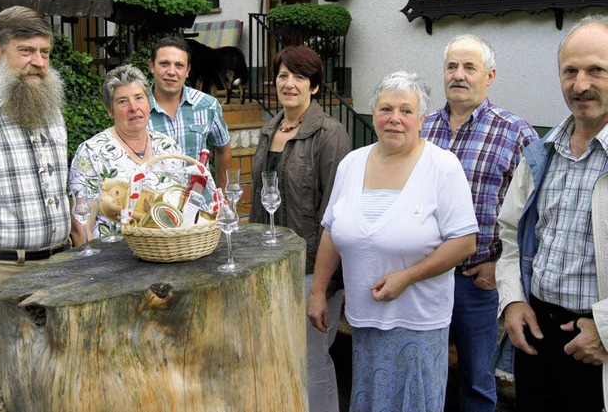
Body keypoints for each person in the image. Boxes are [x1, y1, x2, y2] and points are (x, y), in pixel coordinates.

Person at [308, 71, 478, 412]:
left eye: (406, 111)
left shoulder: (442, 167)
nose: (395, 119)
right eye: (386, 109)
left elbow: (465, 242)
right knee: (371, 399)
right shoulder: (352, 163)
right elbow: (331, 231)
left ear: (422, 119)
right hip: (365, 319)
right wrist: (317, 292)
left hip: (417, 322)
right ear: (374, 115)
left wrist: (407, 277)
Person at [496, 15, 608, 411]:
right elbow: (509, 232)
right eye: (570, 71)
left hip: (598, 345)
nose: (581, 85)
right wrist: (512, 301)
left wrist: (606, 330)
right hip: (537, 333)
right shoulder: (542, 153)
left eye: (597, 70)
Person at [421, 34, 538, 411]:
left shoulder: (516, 133)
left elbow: (533, 215)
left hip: (478, 284)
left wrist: (500, 266)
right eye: (451, 66)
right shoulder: (421, 130)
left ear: (489, 76)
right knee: (426, 374)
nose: (458, 75)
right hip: (424, 280)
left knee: (476, 381)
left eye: (469, 67)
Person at [0, 6, 71, 412]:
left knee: (52, 385)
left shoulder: (49, 104)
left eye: (45, 52)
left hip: (57, 269)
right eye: (26, 51)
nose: (39, 63)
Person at [249, 46, 350, 412]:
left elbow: (334, 214)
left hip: (311, 271)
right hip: (270, 266)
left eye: (299, 77)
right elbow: (259, 204)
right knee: (276, 356)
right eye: (283, 75)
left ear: (315, 87)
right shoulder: (268, 129)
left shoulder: (330, 134)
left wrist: (322, 287)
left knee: (311, 361)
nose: (289, 84)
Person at [69, 64, 182, 244]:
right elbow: (80, 229)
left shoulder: (169, 147)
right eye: (122, 101)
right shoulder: (91, 153)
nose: (133, 107)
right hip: (113, 266)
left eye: (139, 98)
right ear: (109, 110)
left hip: (169, 256)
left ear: (149, 103)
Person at [147, 36, 231, 188]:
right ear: (151, 66)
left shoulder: (207, 105)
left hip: (201, 206)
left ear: (187, 71)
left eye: (179, 65)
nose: (171, 72)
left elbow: (223, 148)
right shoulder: (139, 110)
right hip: (156, 208)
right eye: (164, 64)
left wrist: (222, 194)